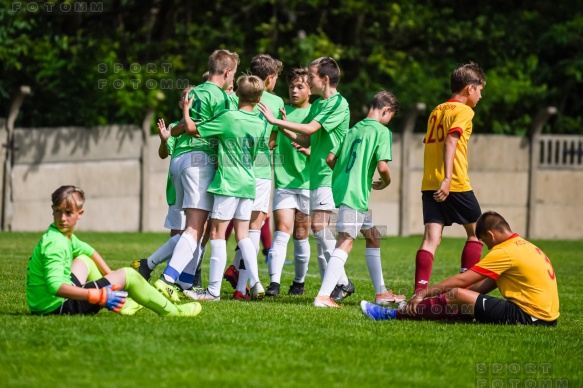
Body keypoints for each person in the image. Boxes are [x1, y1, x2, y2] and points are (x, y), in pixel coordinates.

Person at [259, 57, 354, 301]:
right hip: (315, 176)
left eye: (311, 77)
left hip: (327, 175)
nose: (307, 82)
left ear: (325, 79)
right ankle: (340, 283)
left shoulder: (337, 103)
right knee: (320, 231)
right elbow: (308, 140)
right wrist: (285, 130)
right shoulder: (321, 105)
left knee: (321, 230)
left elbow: (311, 129)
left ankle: (341, 283)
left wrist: (276, 120)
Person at [26, 185, 202, 317]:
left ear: (80, 213)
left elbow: (88, 251)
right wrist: (97, 294)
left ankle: (122, 303)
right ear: (52, 210)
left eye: (68, 212)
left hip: (47, 304)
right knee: (129, 274)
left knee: (84, 260)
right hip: (58, 308)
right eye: (58, 212)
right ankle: (173, 312)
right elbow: (55, 286)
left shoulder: (60, 234)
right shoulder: (55, 244)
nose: (63, 218)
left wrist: (110, 275)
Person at [361, 211, 560, 326]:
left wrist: (423, 293)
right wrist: (454, 299)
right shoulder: (525, 246)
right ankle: (431, 310)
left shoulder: (504, 251)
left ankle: (392, 315)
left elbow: (463, 280)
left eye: (483, 241)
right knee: (459, 297)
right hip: (547, 318)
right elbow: (483, 286)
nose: (487, 247)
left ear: (490, 235)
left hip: (530, 317)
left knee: (457, 293)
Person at [152, 49, 239, 302]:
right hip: (199, 161)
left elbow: (181, 127)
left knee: (192, 228)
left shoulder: (194, 91)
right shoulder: (221, 98)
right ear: (226, 72)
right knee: (195, 228)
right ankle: (167, 280)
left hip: (179, 161)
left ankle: (183, 283)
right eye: (233, 74)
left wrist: (172, 135)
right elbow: (224, 131)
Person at [313, 91, 406, 308]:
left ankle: (381, 293)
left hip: (345, 190)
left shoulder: (352, 129)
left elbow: (330, 158)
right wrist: (386, 181)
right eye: (391, 116)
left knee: (373, 236)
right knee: (345, 240)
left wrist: (345, 175)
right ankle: (323, 296)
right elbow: (383, 167)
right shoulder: (382, 131)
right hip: (355, 194)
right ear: (386, 111)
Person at [182, 75, 267, 301]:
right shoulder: (261, 122)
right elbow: (258, 151)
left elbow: (192, 130)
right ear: (259, 98)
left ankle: (213, 291)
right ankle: (256, 282)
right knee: (243, 235)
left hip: (228, 182)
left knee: (217, 235)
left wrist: (186, 110)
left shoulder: (228, 117)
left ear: (236, 93)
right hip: (249, 183)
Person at [413, 62, 486, 296]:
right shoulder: (464, 111)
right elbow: (451, 141)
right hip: (453, 182)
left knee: (430, 239)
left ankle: (418, 294)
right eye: (480, 90)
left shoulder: (437, 110)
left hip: (429, 183)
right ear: (469, 88)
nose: (481, 96)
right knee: (477, 233)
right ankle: (466, 289)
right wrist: (447, 179)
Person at [223, 54, 285, 300]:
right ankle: (242, 288)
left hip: (232, 167)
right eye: (277, 78)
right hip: (259, 169)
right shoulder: (275, 100)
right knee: (254, 228)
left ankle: (231, 272)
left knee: (234, 227)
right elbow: (271, 141)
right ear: (269, 79)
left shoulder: (237, 96)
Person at [131, 86, 191, 285]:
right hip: (177, 193)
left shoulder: (203, 124)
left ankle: (168, 273)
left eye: (193, 97)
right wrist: (164, 141)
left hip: (196, 191)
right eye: (185, 97)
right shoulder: (174, 127)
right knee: (180, 236)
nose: (189, 100)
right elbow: (163, 154)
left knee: (193, 235)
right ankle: (169, 278)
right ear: (180, 103)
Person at [263, 68, 312, 297]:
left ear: (310, 90)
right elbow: (271, 142)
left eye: (300, 86)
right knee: (282, 231)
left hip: (309, 183)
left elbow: (318, 144)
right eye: (292, 86)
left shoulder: (316, 114)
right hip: (284, 182)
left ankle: (299, 283)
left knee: (301, 234)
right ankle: (274, 284)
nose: (294, 90)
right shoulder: (281, 111)